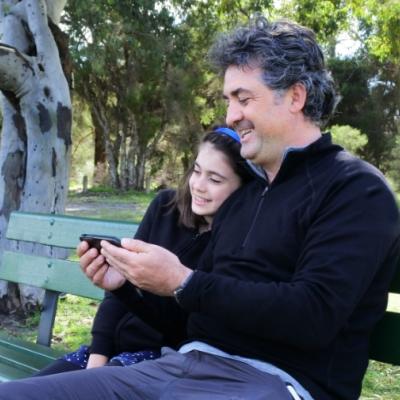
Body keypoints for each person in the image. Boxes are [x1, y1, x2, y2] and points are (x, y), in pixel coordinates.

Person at [1, 17, 399, 400]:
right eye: (229, 100)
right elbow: (191, 320)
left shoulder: (355, 189)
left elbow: (314, 316)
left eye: (244, 99)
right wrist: (128, 288)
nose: (231, 116)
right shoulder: (244, 199)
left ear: (295, 96)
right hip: (179, 368)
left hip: (275, 384)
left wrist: (183, 281)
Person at [35, 127, 254, 375]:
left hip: (160, 360)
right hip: (108, 350)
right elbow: (115, 294)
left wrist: (128, 290)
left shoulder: (235, 244)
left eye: (215, 179)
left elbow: (186, 330)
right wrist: (98, 355)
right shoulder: (165, 208)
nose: (199, 186)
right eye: (196, 171)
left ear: (243, 188)